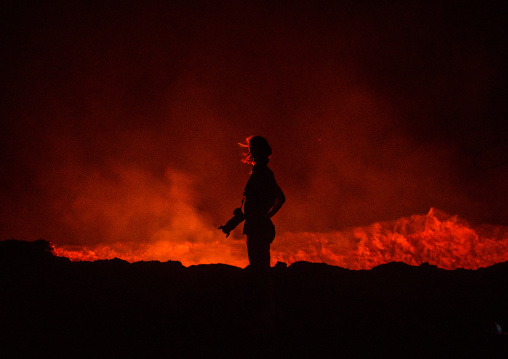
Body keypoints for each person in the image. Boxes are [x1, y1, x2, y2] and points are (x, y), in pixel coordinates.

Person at [219, 136, 285, 271]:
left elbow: (280, 198)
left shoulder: (263, 173)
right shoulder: (262, 173)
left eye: (252, 149)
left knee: (259, 269)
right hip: (256, 226)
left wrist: (264, 216)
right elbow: (254, 206)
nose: (251, 153)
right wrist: (234, 222)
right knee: (259, 268)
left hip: (258, 228)